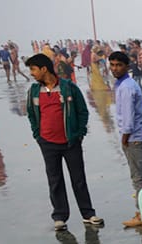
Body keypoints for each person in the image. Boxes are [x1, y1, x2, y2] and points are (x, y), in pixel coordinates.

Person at [25, 53, 103, 230]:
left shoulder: (69, 88)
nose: (32, 73)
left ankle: (88, 213)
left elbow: (83, 111)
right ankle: (60, 216)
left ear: (44, 69)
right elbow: (31, 114)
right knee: (55, 180)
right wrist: (38, 135)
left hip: (70, 142)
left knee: (79, 178)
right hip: (47, 143)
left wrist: (79, 133)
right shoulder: (34, 92)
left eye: (33, 69)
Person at [108, 51, 142, 228]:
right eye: (112, 65)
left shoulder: (126, 87)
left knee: (139, 179)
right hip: (138, 137)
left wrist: (125, 139)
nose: (115, 69)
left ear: (127, 66)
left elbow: (128, 119)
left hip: (134, 138)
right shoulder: (126, 84)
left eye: (118, 65)